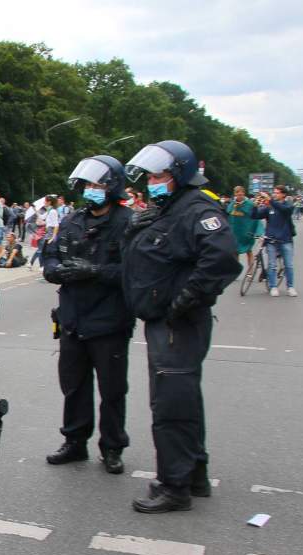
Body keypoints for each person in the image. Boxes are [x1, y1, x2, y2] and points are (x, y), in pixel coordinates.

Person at [123, 140, 241, 513]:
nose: (152, 182)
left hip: (177, 323)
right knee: (183, 398)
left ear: (179, 175)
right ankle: (194, 473)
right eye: (151, 176)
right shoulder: (170, 208)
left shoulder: (197, 208)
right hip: (166, 320)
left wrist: (185, 300)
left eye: (159, 176)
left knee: (171, 404)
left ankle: (175, 486)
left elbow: (221, 259)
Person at [42, 155, 134, 475]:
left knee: (111, 389)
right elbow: (50, 255)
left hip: (108, 321)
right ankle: (75, 441)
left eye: (98, 184)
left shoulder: (128, 223)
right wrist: (54, 270)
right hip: (72, 318)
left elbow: (135, 272)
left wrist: (95, 272)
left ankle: (112, 446)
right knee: (74, 385)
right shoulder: (72, 221)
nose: (91, 190)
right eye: (88, 185)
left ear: (112, 187)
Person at [251, 185, 297, 297]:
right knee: (272, 265)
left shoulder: (288, 205)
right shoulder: (269, 207)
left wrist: (270, 200)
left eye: (277, 193)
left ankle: (290, 287)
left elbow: (284, 210)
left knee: (289, 265)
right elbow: (255, 216)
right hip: (271, 239)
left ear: (283, 194)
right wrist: (255, 206)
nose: (275, 194)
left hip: (285, 239)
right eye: (274, 192)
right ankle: (273, 286)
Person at [227, 186, 257, 274]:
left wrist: (254, 231)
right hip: (235, 232)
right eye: (237, 194)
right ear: (235, 194)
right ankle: (235, 270)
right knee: (236, 252)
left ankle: (250, 270)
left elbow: (255, 217)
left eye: (241, 194)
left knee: (248, 250)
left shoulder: (250, 204)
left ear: (244, 193)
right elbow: (228, 214)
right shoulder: (232, 204)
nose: (239, 196)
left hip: (246, 231)